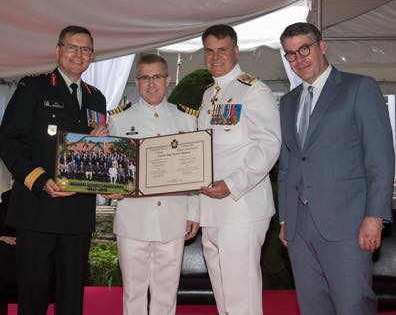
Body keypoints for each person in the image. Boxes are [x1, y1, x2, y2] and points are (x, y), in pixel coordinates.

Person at [277, 22, 395, 315]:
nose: (298, 59)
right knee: (312, 308)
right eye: (290, 54)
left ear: (322, 46)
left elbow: (380, 158)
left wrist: (375, 216)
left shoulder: (360, 87)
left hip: (349, 225)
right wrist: (284, 220)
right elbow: (288, 163)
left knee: (353, 305)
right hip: (299, 227)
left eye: (304, 49)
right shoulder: (289, 102)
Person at [0, 25, 108, 315]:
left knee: (71, 297)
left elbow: (95, 154)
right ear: (58, 50)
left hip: (77, 215)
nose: (78, 54)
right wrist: (40, 179)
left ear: (92, 56)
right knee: (33, 295)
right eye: (72, 47)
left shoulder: (96, 97)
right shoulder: (33, 88)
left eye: (85, 49)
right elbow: (8, 141)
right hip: (38, 209)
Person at [197, 24, 281, 315]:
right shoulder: (209, 95)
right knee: (222, 288)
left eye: (222, 50)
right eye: (209, 50)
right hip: (211, 207)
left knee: (240, 291)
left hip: (241, 205)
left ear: (236, 51)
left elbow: (269, 145)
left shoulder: (254, 90)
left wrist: (232, 184)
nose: (215, 57)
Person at [107, 54, 200, 315]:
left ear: (167, 79)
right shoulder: (119, 120)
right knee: (133, 293)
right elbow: (111, 169)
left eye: (157, 77)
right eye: (145, 78)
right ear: (136, 82)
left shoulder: (186, 119)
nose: (151, 84)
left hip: (173, 217)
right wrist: (108, 189)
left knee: (166, 293)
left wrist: (194, 211)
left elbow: (195, 170)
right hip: (132, 219)